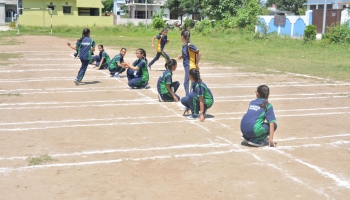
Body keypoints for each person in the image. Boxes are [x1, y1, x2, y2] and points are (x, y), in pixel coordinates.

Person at [178, 30, 201, 106]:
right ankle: (190, 101)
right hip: (187, 66)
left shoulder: (189, 45)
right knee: (188, 84)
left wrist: (197, 63)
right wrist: (182, 56)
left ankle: (188, 102)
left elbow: (199, 52)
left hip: (190, 67)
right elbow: (188, 55)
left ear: (182, 37)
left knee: (187, 84)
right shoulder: (185, 45)